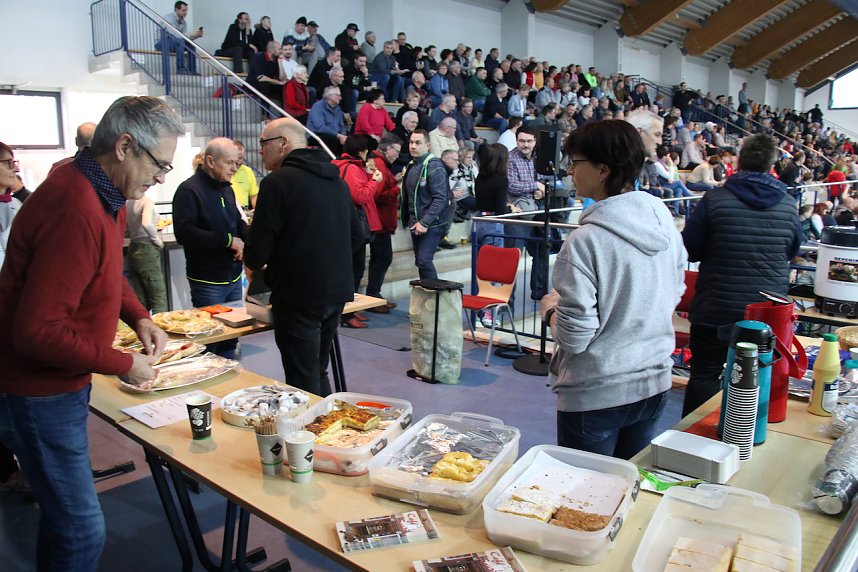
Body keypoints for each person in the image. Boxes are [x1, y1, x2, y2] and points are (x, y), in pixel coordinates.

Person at [0, 96, 183, 569]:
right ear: (125, 146)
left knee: (65, 521)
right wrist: (125, 363)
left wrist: (138, 316)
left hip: (59, 384)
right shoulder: (75, 205)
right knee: (81, 531)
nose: (161, 178)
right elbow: (37, 332)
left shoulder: (105, 191)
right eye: (159, 164)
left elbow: (107, 272)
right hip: (41, 390)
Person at [539, 120, 687, 459]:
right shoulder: (661, 217)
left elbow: (575, 339)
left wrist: (551, 310)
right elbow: (675, 289)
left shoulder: (585, 241)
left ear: (602, 169)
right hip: (654, 382)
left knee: (586, 497)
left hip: (598, 394)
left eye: (575, 163)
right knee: (624, 488)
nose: (570, 172)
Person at [682, 134, 803, 417]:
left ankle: (691, 443)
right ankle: (748, 440)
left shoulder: (715, 200)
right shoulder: (787, 205)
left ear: (739, 160)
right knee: (759, 377)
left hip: (715, 308)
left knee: (705, 374)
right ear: (772, 164)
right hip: (766, 314)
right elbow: (793, 249)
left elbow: (690, 248)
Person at [244, 118, 358, 396]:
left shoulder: (277, 183)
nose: (260, 150)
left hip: (298, 297)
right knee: (317, 370)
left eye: (263, 143)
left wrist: (259, 269)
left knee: (302, 378)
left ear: (283, 143)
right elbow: (358, 236)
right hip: (336, 293)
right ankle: (329, 433)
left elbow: (256, 253)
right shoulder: (337, 182)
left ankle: (309, 437)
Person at [172, 138, 246, 359]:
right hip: (208, 281)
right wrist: (228, 241)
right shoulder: (188, 190)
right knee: (210, 340)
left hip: (233, 277)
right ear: (211, 161)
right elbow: (185, 233)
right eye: (229, 162)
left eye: (237, 163)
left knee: (232, 337)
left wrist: (247, 242)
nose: (235, 168)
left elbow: (237, 222)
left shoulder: (227, 189)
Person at [333, 134, 383, 329]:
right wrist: (375, 181)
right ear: (361, 151)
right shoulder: (351, 168)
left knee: (353, 270)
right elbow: (360, 196)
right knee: (353, 271)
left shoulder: (341, 165)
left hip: (345, 226)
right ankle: (347, 314)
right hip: (351, 228)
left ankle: (349, 310)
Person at [401, 129, 454, 279]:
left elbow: (440, 198)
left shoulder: (434, 166)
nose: (413, 146)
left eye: (418, 143)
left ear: (428, 146)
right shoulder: (412, 165)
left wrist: (424, 222)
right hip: (416, 222)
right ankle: (427, 297)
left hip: (432, 224)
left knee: (424, 261)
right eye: (411, 142)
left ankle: (436, 298)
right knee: (420, 261)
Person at [506, 125, 548, 300]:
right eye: (522, 141)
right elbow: (512, 186)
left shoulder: (540, 158)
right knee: (512, 259)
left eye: (529, 141)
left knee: (541, 254)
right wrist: (536, 186)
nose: (525, 144)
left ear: (535, 141)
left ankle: (539, 294)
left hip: (538, 212)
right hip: (518, 215)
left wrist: (542, 190)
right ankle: (508, 300)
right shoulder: (510, 159)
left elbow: (550, 180)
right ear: (516, 141)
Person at [365, 135, 403, 313]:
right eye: (397, 151)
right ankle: (373, 295)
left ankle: (374, 295)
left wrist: (394, 181)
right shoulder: (378, 164)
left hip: (378, 220)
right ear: (388, 149)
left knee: (380, 258)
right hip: (378, 220)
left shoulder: (376, 162)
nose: (397, 155)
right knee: (382, 257)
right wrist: (397, 188)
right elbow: (378, 194)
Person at [161, 1, 203, 74]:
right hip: (162, 43)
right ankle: (180, 69)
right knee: (180, 41)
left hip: (175, 43)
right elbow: (174, 35)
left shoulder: (183, 22)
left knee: (191, 44)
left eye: (186, 10)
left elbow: (185, 38)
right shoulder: (169, 18)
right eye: (183, 10)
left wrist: (196, 35)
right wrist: (191, 34)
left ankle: (192, 70)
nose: (185, 12)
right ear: (177, 10)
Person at [230, 140, 258, 210]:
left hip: (244, 212)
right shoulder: (222, 171)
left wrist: (258, 211)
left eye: (241, 158)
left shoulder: (248, 171)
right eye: (236, 157)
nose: (238, 162)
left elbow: (254, 196)